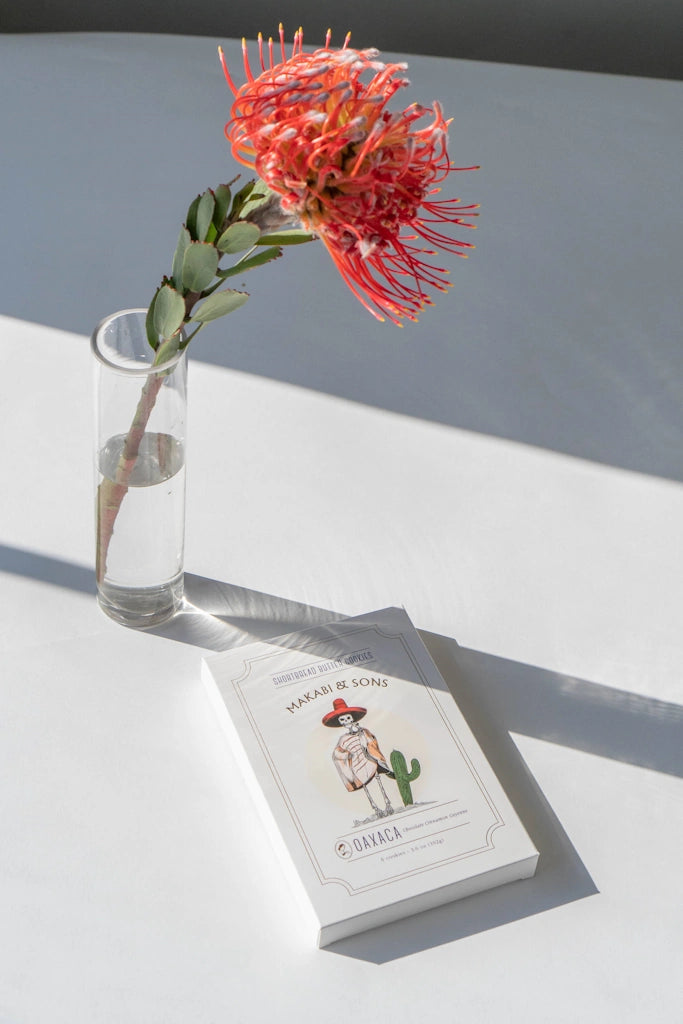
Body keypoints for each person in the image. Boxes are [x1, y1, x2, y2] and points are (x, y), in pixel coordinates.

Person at [321, 698, 395, 817]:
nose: (346, 722)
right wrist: (346, 754)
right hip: (356, 765)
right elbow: (336, 753)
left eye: (348, 718)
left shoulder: (363, 731)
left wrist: (363, 736)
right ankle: (375, 808)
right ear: (340, 722)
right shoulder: (343, 739)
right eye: (342, 720)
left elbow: (371, 741)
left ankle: (387, 803)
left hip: (369, 760)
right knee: (365, 786)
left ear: (352, 718)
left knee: (378, 780)